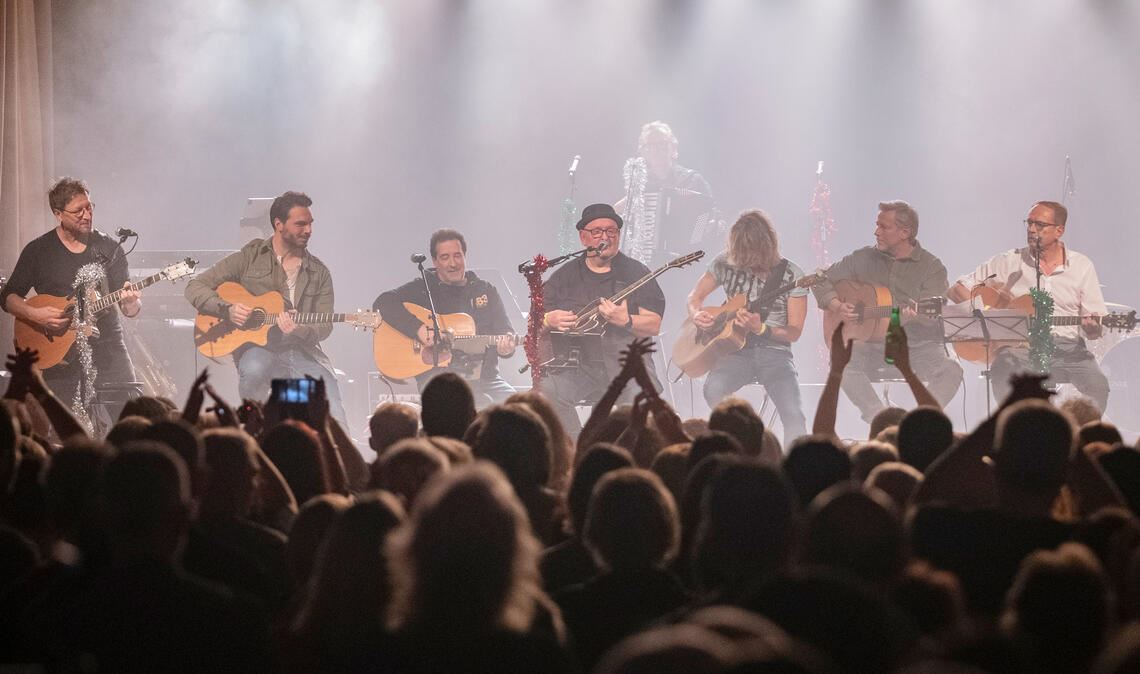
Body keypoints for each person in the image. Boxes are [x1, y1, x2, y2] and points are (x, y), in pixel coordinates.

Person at [183, 190, 349, 428]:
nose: (308, 230)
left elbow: (324, 327)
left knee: (328, 398)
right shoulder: (249, 257)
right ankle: (258, 432)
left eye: (311, 224)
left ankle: (334, 454)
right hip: (257, 349)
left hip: (301, 351)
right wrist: (227, 309)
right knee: (254, 369)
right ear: (278, 224)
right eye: (300, 224)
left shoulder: (319, 272)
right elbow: (195, 286)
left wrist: (299, 329)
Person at [947, 200, 1110, 411]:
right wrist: (989, 315)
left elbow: (1096, 324)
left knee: (1098, 385)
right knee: (1002, 367)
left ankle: (1082, 438)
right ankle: (1013, 429)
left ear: (1059, 230)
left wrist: (1093, 327)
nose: (1032, 230)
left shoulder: (1082, 266)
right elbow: (957, 289)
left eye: (1040, 225)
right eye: (1029, 223)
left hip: (1067, 348)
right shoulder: (1009, 261)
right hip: (1022, 348)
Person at [1, 178, 141, 418]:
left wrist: (131, 302)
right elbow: (8, 296)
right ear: (58, 214)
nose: (87, 215)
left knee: (130, 418)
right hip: (57, 351)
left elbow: (130, 309)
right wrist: (35, 314)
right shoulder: (38, 251)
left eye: (90, 207)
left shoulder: (110, 248)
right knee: (62, 424)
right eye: (78, 211)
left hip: (108, 346)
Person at [812, 200, 963, 423]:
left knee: (952, 370)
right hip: (870, 346)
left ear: (905, 232)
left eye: (884, 227)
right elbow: (819, 280)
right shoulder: (862, 258)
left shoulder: (932, 267)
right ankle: (880, 419)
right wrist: (836, 305)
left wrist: (920, 317)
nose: (876, 232)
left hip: (915, 346)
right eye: (877, 225)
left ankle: (919, 422)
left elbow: (933, 315)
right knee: (840, 362)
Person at [542, 203, 666, 435]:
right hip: (580, 365)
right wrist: (550, 319)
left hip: (627, 364)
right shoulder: (565, 275)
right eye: (597, 232)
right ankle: (578, 452)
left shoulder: (636, 272)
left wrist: (626, 320)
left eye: (611, 231)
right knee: (549, 391)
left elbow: (655, 324)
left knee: (641, 397)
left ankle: (630, 456)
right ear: (583, 237)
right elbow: (537, 317)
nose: (605, 237)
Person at [687, 210, 808, 444]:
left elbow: (794, 332)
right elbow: (694, 297)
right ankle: (739, 448)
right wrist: (696, 314)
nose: (745, 262)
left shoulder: (793, 274)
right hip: (734, 352)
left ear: (766, 247)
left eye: (750, 255)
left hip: (775, 354)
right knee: (713, 390)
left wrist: (760, 329)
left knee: (794, 415)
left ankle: (795, 470)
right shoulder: (725, 262)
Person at [372, 228, 516, 406]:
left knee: (523, 411)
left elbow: (505, 330)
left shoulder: (485, 290)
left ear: (465, 256)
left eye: (457, 256)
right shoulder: (423, 288)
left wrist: (506, 349)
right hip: (437, 380)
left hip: (487, 380)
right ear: (435, 261)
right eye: (445, 257)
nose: (453, 263)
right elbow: (383, 302)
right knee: (477, 406)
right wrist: (420, 330)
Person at [615, 121, 715, 268]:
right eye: (649, 146)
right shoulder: (637, 183)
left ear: (673, 148)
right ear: (642, 152)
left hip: (687, 261)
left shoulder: (692, 180)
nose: (656, 150)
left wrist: (707, 227)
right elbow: (614, 214)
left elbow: (712, 212)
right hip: (646, 264)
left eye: (662, 144)